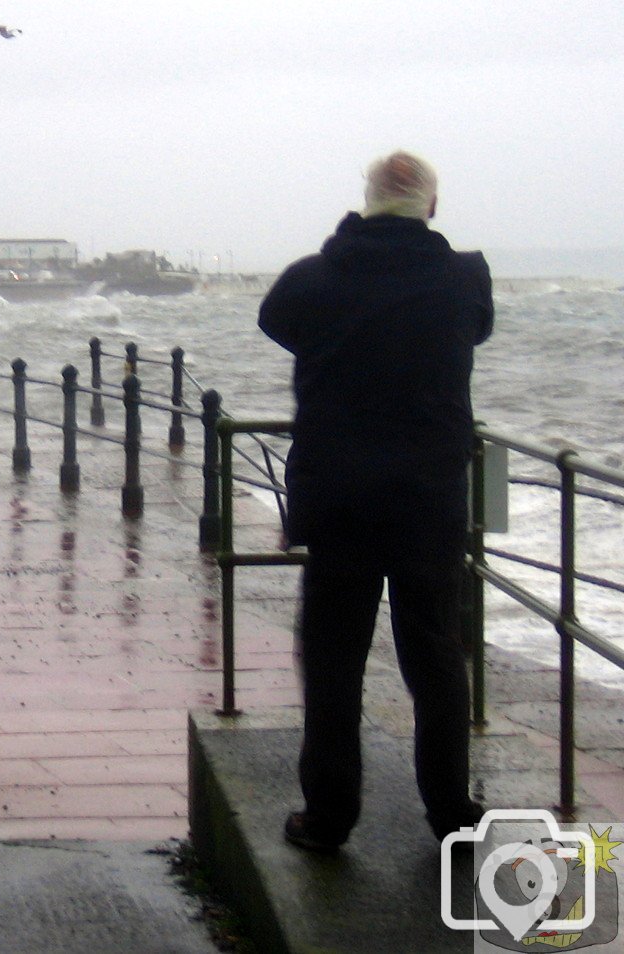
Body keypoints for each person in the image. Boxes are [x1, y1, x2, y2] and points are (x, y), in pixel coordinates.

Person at [258, 151, 494, 851]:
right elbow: (476, 329)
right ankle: (451, 812)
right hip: (428, 496)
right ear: (431, 206)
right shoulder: (463, 277)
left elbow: (278, 323)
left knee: (333, 658)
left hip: (339, 495)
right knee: (436, 657)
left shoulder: (311, 279)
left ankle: (329, 817)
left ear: (364, 204)